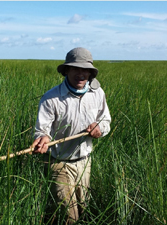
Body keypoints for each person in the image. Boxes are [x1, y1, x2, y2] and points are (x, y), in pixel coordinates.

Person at [31, 47, 111, 224]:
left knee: (83, 209)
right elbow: (42, 130)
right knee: (69, 216)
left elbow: (105, 121)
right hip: (58, 163)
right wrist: (43, 139)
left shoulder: (97, 94)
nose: (81, 74)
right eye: (76, 69)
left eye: (85, 70)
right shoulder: (50, 98)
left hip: (84, 162)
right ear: (67, 70)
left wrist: (99, 129)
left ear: (90, 73)